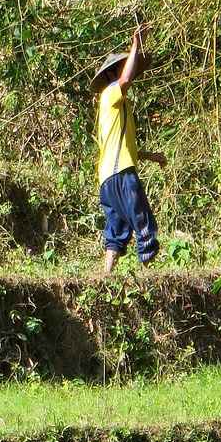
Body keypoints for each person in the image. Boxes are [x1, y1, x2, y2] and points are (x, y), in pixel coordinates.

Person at [91, 21, 166, 274]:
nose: (129, 74)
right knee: (143, 220)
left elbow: (120, 145)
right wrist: (136, 43)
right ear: (112, 74)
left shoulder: (114, 109)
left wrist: (149, 156)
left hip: (106, 178)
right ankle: (148, 272)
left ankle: (106, 274)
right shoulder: (111, 92)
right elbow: (124, 79)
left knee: (117, 226)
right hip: (121, 173)